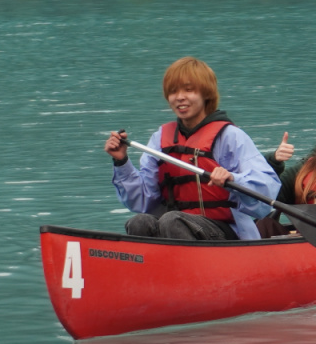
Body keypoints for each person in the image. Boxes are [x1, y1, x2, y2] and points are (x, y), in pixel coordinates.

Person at [104, 57, 280, 241]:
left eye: (188, 90)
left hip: (226, 232)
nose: (180, 97)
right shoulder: (159, 139)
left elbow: (267, 190)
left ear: (206, 94)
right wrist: (121, 161)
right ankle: (153, 259)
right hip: (175, 224)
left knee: (172, 220)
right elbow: (141, 201)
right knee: (139, 222)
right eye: (173, 91)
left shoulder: (230, 136)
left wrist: (233, 178)